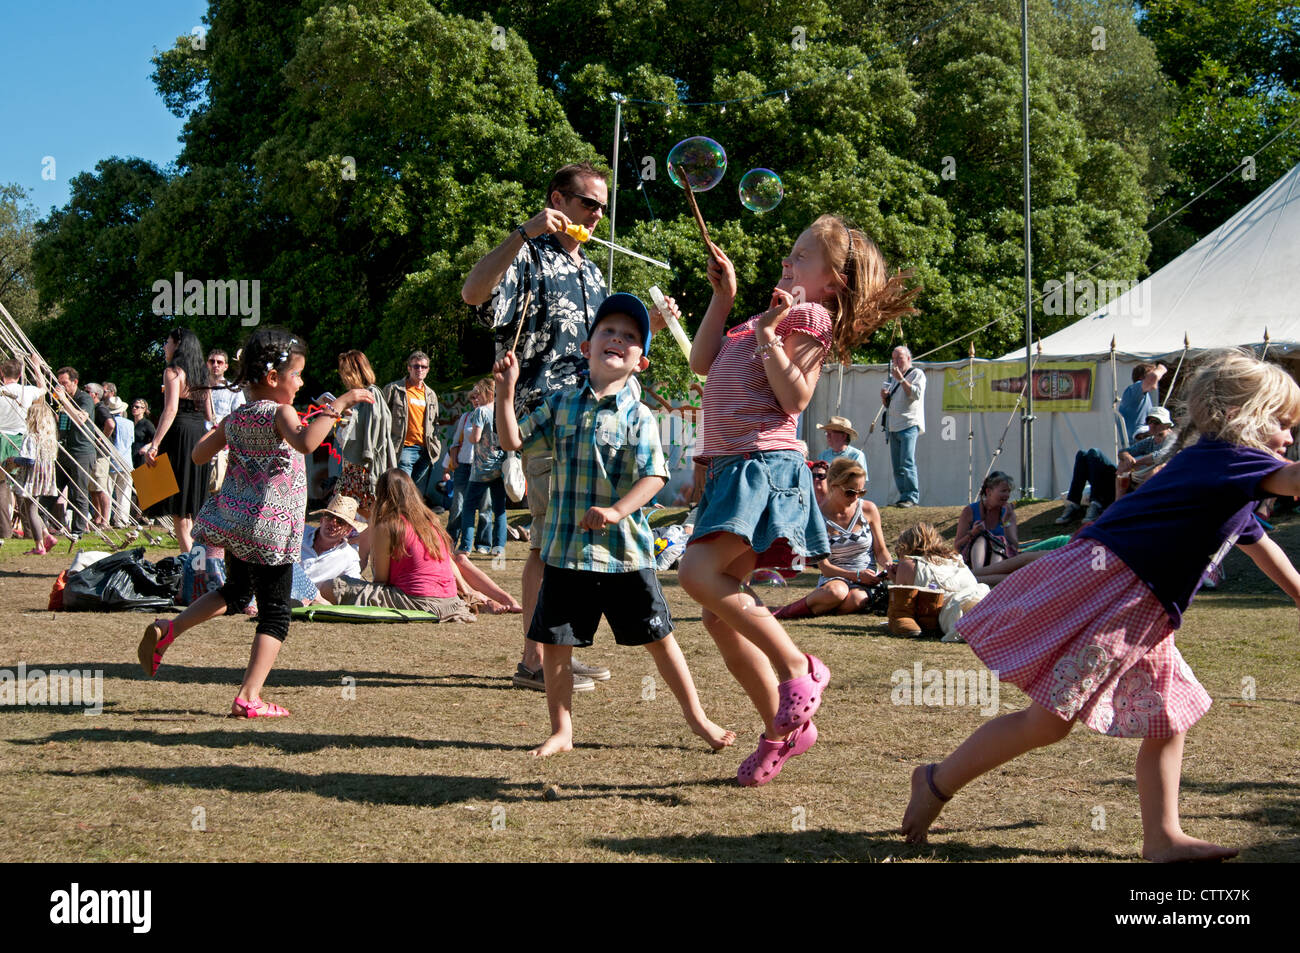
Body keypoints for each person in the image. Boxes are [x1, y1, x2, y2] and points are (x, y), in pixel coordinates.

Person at [901, 349, 1300, 861]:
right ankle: (933, 781)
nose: (1289, 438)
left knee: (1166, 718)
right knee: (1049, 723)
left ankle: (1162, 838)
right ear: (1246, 417)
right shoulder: (1230, 459)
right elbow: (1293, 480)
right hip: (1120, 595)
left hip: (1145, 611)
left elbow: (1258, 541)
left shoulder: (1222, 475)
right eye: (1284, 424)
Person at [677, 215, 918, 786]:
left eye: (801, 257)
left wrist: (767, 338)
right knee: (717, 616)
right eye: (790, 252)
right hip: (733, 467)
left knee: (694, 573)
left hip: (761, 468)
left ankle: (799, 667)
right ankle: (784, 731)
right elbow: (701, 363)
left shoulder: (810, 316)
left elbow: (795, 395)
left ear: (833, 281)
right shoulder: (765, 318)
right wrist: (724, 298)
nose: (787, 262)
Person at [495, 292, 735, 757]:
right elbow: (514, 440)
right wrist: (506, 392)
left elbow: (654, 477)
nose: (617, 339)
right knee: (556, 644)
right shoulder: (559, 402)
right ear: (587, 346)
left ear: (640, 361)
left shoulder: (638, 415)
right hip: (565, 552)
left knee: (661, 640)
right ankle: (562, 731)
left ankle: (697, 718)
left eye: (630, 336)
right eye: (608, 331)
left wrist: (617, 511)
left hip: (625, 555)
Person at [463, 161, 665, 692]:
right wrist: (524, 231)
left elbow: (602, 349)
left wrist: (655, 326)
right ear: (559, 200)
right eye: (588, 203)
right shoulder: (528, 254)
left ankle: (553, 655)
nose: (597, 214)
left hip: (593, 423)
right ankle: (536, 660)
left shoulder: (593, 273)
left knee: (565, 543)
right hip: (546, 421)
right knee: (546, 547)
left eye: (603, 206)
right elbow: (473, 293)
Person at [136, 328, 375, 717]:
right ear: (272, 379)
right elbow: (306, 443)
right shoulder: (281, 412)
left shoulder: (236, 417)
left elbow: (198, 456)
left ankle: (170, 629)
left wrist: (231, 439)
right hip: (271, 530)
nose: (300, 383)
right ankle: (249, 697)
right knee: (276, 613)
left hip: (236, 525)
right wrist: (341, 403)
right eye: (296, 375)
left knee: (235, 593)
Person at [318, 469, 481, 620]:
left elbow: (381, 580)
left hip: (418, 601)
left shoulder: (388, 525)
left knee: (332, 586)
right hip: (450, 600)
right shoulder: (430, 522)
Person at [774, 457, 890, 619]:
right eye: (850, 492)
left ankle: (820, 606)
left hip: (868, 579)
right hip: (835, 577)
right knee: (836, 592)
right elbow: (825, 568)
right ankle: (783, 613)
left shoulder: (868, 509)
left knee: (856, 599)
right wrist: (856, 575)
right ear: (833, 485)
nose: (856, 497)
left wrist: (888, 567)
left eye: (861, 492)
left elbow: (881, 551)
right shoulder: (817, 517)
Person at [143, 328, 213, 553]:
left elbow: (170, 409)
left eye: (168, 342)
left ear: (178, 344)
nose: (165, 346)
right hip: (198, 435)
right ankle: (198, 561)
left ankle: (192, 564)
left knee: (179, 509)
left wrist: (154, 443)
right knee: (192, 507)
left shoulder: (173, 372)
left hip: (179, 435)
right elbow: (209, 414)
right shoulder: (202, 374)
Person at [1056, 407, 1177, 523]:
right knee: (1083, 455)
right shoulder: (1151, 440)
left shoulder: (1172, 440)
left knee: (1095, 453)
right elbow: (1123, 452)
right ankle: (1074, 503)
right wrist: (1127, 458)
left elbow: (1160, 456)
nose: (1152, 425)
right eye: (1149, 421)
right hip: (1130, 482)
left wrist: (1131, 464)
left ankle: (1097, 503)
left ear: (1167, 424)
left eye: (1156, 422)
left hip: (1139, 487)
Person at [888, 522, 989, 642]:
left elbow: (904, 603)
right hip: (984, 599)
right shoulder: (956, 559)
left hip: (956, 613)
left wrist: (895, 579)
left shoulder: (909, 565)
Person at [333, 349, 397, 518]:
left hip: (363, 468)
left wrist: (349, 420)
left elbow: (372, 433)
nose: (342, 376)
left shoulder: (370, 394)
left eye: (345, 371)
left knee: (368, 516)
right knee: (348, 516)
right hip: (351, 468)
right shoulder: (352, 398)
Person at [458, 376, 507, 556]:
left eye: (478, 393)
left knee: (469, 507)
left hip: (481, 468)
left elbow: (475, 438)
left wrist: (471, 437)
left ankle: (465, 546)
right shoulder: (502, 410)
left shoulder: (480, 412)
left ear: (487, 392)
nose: (476, 397)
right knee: (499, 508)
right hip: (499, 465)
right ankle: (499, 547)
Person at [3, 399, 59, 554]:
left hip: (32, 478)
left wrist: (14, 460)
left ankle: (39, 545)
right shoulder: (49, 439)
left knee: (31, 510)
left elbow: (29, 460)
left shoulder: (31, 437)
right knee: (33, 507)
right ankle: (47, 535)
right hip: (43, 477)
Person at [383, 350, 440, 497]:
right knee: (402, 492)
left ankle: (409, 519)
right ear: (409, 368)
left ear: (428, 370)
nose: (419, 369)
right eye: (416, 366)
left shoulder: (431, 394)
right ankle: (400, 519)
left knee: (414, 493)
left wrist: (435, 446)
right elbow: (381, 417)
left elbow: (435, 423)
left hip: (425, 451)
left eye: (423, 366)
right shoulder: (394, 389)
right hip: (404, 449)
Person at [0, 357, 45, 539]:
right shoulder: (27, 391)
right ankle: (29, 530)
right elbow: (43, 389)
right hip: (19, 440)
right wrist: (36, 366)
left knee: (1, 485)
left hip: (1, 438)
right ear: (20, 375)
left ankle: (4, 530)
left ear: (2, 374)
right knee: (21, 484)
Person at [52, 366, 97, 539]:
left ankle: (78, 530)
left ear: (74, 382)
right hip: (64, 450)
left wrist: (64, 400)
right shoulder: (62, 399)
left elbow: (80, 418)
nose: (61, 387)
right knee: (52, 488)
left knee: (78, 492)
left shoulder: (83, 397)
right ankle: (43, 524)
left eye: (64, 383)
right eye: (59, 383)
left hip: (82, 451)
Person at [881, 345, 925, 507]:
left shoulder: (917, 374)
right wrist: (884, 397)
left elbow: (915, 394)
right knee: (897, 465)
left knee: (907, 461)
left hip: (909, 424)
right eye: (894, 359)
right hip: (893, 426)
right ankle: (903, 496)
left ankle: (912, 496)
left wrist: (900, 379)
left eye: (899, 358)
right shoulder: (892, 377)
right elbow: (890, 404)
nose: (896, 362)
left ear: (908, 358)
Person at [955, 471, 1019, 570]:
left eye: (1008, 491)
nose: (1007, 495)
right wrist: (972, 533)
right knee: (981, 538)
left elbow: (1014, 546)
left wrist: (1005, 522)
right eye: (1003, 491)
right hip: (972, 561)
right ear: (989, 491)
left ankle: (988, 573)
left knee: (999, 542)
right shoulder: (970, 511)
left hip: (999, 561)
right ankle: (979, 573)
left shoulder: (1008, 513)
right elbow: (957, 546)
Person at [205, 349, 246, 493]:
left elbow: (239, 419)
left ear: (225, 366)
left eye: (219, 362)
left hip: (223, 447)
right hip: (201, 445)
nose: (215, 365)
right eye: (212, 361)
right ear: (207, 364)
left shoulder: (234, 389)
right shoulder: (198, 388)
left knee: (221, 491)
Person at [103, 388, 135, 527]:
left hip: (113, 460)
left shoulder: (111, 423)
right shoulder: (130, 423)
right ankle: (122, 519)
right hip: (127, 460)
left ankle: (107, 517)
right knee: (125, 492)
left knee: (108, 491)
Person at [1116, 361, 1167, 445]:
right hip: (1137, 446)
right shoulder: (1133, 390)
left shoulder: (1142, 396)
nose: (1157, 380)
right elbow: (1153, 378)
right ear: (1142, 378)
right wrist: (1161, 368)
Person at [130, 399, 155, 469]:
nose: (134, 408)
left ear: (144, 410)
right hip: (130, 456)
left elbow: (156, 439)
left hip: (140, 457)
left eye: (137, 407)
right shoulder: (130, 423)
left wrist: (146, 447)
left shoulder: (147, 424)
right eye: (133, 406)